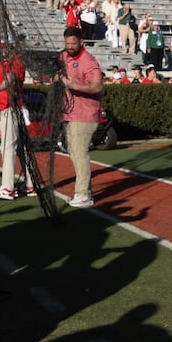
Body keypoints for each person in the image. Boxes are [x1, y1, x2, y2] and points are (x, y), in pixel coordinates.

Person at [58, 27, 104, 208]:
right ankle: (84, 190)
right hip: (70, 112)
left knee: (79, 153)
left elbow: (98, 87)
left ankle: (83, 194)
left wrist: (74, 85)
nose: (69, 47)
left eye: (73, 43)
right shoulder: (65, 57)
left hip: (85, 113)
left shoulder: (88, 61)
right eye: (67, 43)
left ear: (81, 43)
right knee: (73, 152)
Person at [0, 49, 32, 201]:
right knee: (19, 149)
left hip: (11, 108)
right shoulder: (6, 61)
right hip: (12, 107)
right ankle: (30, 184)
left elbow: (11, 77)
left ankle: (7, 187)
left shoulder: (16, 60)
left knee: (7, 147)